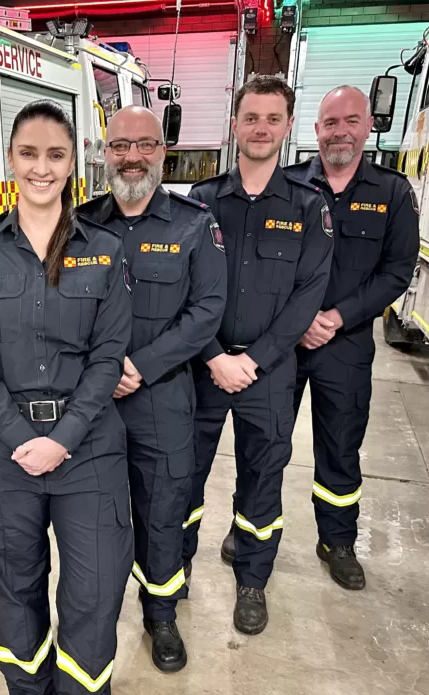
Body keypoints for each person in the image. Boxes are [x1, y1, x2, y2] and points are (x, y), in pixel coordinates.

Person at [0, 100, 132, 695]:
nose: (42, 167)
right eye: (30, 153)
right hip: (0, 450)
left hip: (86, 450)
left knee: (96, 581)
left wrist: (64, 436)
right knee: (10, 577)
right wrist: (20, 435)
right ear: (11, 162)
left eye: (56, 155)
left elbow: (109, 357)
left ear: (71, 165)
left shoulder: (104, 253)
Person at [77, 106, 226, 673]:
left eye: (144, 144)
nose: (132, 156)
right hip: (92, 404)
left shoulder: (194, 224)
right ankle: (95, 611)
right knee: (95, 516)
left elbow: (207, 310)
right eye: (120, 146)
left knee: (163, 511)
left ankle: (161, 614)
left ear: (163, 151)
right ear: (104, 152)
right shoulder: (83, 223)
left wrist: (139, 365)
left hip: (162, 399)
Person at [183, 75, 333, 635]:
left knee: (262, 481)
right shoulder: (201, 202)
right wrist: (214, 354)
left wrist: (255, 359)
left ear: (288, 126)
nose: (261, 128)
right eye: (252, 117)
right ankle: (174, 574)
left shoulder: (308, 207)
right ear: (235, 124)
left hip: (268, 373)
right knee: (183, 478)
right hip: (202, 368)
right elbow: (182, 289)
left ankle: (251, 581)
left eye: (273, 118)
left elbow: (308, 294)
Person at [284, 85, 419, 590]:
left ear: (368, 126)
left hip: (346, 346)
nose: (340, 131)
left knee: (340, 447)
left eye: (351, 120)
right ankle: (250, 530)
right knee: (266, 444)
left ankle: (337, 541)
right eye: (330, 122)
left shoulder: (392, 192)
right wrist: (297, 321)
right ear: (315, 130)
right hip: (285, 343)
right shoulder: (289, 185)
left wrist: (336, 318)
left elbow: (397, 271)